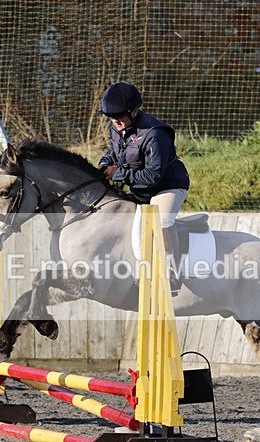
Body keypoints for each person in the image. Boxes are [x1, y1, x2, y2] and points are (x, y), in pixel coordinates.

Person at [97, 81, 189, 296]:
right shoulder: (117, 127)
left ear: (134, 111)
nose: (115, 121)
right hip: (142, 188)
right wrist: (105, 163)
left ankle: (172, 273)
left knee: (162, 220)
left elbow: (152, 176)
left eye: (119, 116)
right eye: (111, 117)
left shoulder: (155, 134)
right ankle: (141, 271)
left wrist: (117, 173)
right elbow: (113, 150)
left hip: (167, 186)